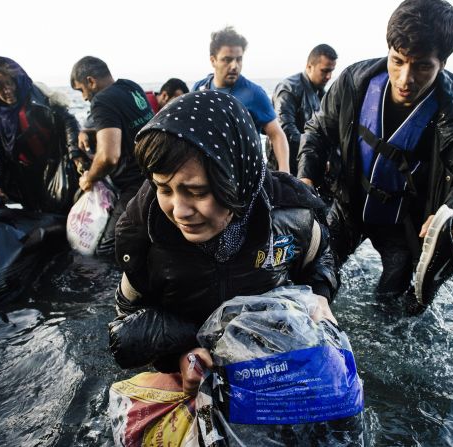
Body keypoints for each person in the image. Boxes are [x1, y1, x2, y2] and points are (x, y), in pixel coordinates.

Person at [109, 91, 338, 394]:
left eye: (197, 192)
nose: (179, 211)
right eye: (164, 188)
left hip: (270, 366)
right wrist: (180, 354)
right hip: (194, 372)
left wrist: (320, 295)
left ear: (238, 180)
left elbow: (321, 257)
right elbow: (127, 318)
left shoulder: (289, 217)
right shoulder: (148, 236)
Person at [297, 0, 453, 304]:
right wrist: (305, 181)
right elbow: (317, 132)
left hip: (405, 224)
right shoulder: (353, 82)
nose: (405, 79)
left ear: (443, 63)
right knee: (311, 285)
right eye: (398, 61)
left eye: (423, 66)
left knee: (393, 309)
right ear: (389, 50)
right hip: (349, 204)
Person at [70, 56, 154, 255]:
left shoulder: (101, 101)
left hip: (136, 184)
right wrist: (90, 132)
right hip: (154, 173)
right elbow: (129, 128)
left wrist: (89, 179)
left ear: (91, 81)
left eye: (82, 90)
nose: (83, 98)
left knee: (108, 248)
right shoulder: (130, 87)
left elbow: (109, 157)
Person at [0, 56, 80, 214]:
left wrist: (75, 153)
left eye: (10, 83)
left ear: (18, 79)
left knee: (60, 210)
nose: (7, 91)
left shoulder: (39, 95)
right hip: (24, 171)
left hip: (54, 164)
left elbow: (68, 121)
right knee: (33, 212)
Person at [193, 26, 290, 173]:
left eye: (239, 59)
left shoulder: (254, 93)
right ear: (213, 60)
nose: (234, 66)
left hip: (246, 173)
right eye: (227, 60)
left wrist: (285, 173)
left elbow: (276, 134)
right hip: (210, 171)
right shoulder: (199, 88)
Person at [267, 44, 338, 175]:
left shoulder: (322, 94)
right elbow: (285, 131)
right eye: (325, 70)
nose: (329, 76)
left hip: (307, 166)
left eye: (331, 71)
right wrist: (316, 152)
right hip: (284, 168)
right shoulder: (288, 89)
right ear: (309, 67)